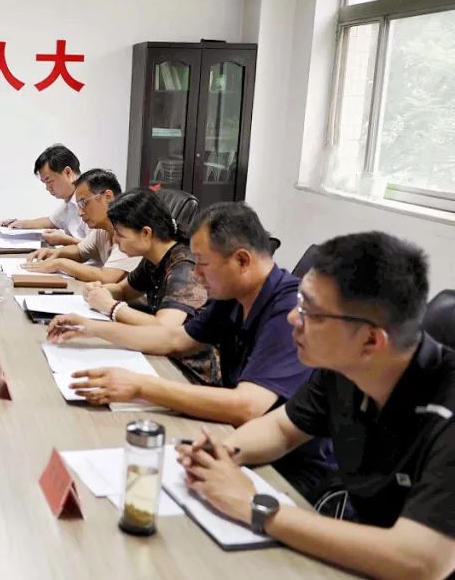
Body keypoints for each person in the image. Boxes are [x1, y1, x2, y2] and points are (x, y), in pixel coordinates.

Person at [177, 232, 454, 580]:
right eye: (299, 302)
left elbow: (422, 562)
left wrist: (254, 507)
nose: (293, 318)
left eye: (311, 311)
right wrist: (224, 453)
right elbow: (282, 428)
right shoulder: (343, 369)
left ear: (371, 340)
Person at [49, 202, 331, 500]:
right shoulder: (235, 294)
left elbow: (248, 406)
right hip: (236, 441)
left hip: (288, 472)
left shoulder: (288, 311)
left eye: (202, 263)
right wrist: (91, 328)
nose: (195, 273)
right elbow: (174, 339)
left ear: (242, 260)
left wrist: (141, 386)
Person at [80, 188, 216, 383]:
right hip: (163, 355)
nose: (115, 241)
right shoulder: (153, 258)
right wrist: (98, 291)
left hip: (189, 372)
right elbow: (123, 290)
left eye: (120, 235)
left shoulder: (185, 266)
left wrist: (111, 307)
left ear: (146, 233)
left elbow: (164, 327)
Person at [22, 169, 140, 283]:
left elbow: (107, 277)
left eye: (83, 203)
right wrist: (54, 253)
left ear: (108, 197)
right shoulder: (102, 230)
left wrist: (60, 263)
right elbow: (80, 251)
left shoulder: (130, 228)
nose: (80, 213)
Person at [2, 144, 87, 246]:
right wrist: (21, 223)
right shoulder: (69, 202)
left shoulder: (91, 199)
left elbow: (98, 247)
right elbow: (51, 221)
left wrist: (65, 240)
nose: (48, 188)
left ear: (67, 173)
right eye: (45, 183)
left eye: (49, 181)